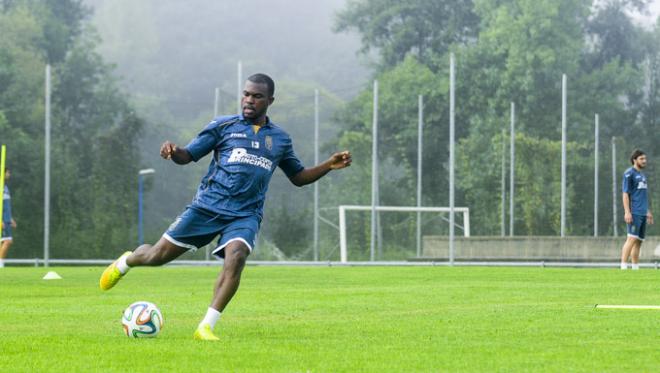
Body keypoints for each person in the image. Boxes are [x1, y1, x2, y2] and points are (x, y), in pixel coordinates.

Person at [99, 73, 352, 340]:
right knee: (156, 257)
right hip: (207, 207)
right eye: (246, 94)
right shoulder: (223, 126)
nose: (249, 100)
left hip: (245, 214)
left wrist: (328, 165)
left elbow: (298, 177)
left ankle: (205, 326)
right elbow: (188, 156)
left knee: (237, 257)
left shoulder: (279, 139)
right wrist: (174, 152)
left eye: (257, 96)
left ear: (270, 100)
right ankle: (127, 261)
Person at [620, 149, 653, 270]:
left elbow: (643, 195)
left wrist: (648, 211)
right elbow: (625, 194)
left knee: (639, 241)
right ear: (635, 160)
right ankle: (623, 266)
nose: (644, 161)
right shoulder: (629, 174)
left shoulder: (642, 175)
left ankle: (635, 267)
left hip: (643, 212)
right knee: (631, 238)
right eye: (641, 159)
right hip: (634, 212)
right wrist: (627, 212)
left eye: (645, 159)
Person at [0, 167, 17, 268]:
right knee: (7, 241)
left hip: (6, 219)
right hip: (2, 220)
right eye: (8, 172)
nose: (9, 174)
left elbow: (5, 205)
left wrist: (10, 219)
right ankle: (0, 264)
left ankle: (1, 263)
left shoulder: (5, 187)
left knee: (5, 241)